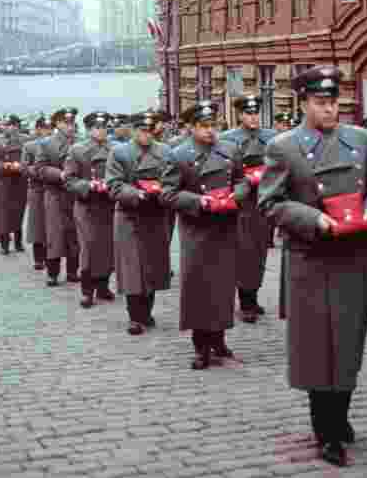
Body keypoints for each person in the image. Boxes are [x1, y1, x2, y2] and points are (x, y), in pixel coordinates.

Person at [259, 65, 367, 468]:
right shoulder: (285, 147)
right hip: (311, 259)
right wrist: (314, 219)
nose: (330, 110)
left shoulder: (361, 140)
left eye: (334, 102)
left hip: (352, 256)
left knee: (348, 342)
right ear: (304, 103)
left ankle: (340, 415)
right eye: (321, 103)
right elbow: (270, 203)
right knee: (317, 348)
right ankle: (326, 430)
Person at [161, 101, 246, 369]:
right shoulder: (179, 155)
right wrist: (200, 201)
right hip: (197, 228)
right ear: (191, 128)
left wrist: (237, 195)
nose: (211, 131)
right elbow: (168, 192)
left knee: (222, 285)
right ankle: (201, 346)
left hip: (225, 226)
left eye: (214, 125)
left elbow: (241, 180)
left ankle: (219, 340)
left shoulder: (230, 150)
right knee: (198, 287)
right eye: (204, 126)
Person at [105, 109, 175, 335]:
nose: (146, 135)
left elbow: (172, 178)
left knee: (153, 265)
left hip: (156, 214)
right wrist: (137, 193)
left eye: (149, 130)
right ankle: (134, 316)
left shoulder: (165, 151)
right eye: (142, 130)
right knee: (132, 266)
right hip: (130, 215)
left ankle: (147, 311)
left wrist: (163, 189)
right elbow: (114, 185)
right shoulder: (120, 153)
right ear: (134, 131)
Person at [220, 93, 276, 322]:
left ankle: (252, 295)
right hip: (239, 204)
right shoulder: (228, 139)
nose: (253, 118)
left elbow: (279, 164)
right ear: (240, 115)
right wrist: (244, 179)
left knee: (260, 251)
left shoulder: (271, 137)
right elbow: (223, 172)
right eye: (248, 113)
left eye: (256, 113)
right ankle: (246, 302)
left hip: (262, 202)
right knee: (244, 252)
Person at [64, 111, 116, 309]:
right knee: (89, 248)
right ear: (88, 130)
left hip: (110, 205)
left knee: (109, 247)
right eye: (97, 127)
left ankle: (103, 286)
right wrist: (88, 186)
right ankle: (87, 290)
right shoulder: (78, 150)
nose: (101, 131)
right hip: (87, 206)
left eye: (104, 127)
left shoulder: (116, 149)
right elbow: (68, 180)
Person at [35, 107, 81, 287]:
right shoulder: (47, 144)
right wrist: (59, 174)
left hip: (75, 194)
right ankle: (53, 273)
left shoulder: (80, 142)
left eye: (72, 123)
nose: (70, 127)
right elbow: (39, 168)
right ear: (58, 124)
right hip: (55, 193)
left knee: (75, 234)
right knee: (55, 234)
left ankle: (72, 271)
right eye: (66, 123)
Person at [0, 114, 28, 255]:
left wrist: (22, 165)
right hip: (2, 181)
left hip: (20, 181)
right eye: (6, 125)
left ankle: (18, 241)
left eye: (11, 125)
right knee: (3, 213)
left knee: (19, 211)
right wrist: (6, 165)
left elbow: (31, 158)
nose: (8, 127)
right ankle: (4, 243)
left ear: (17, 126)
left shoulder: (25, 140)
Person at [23, 115, 52, 271]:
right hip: (37, 188)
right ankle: (38, 258)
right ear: (38, 129)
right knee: (37, 225)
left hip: (53, 188)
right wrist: (40, 172)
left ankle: (50, 257)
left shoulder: (55, 145)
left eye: (49, 128)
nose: (47, 131)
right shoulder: (30, 146)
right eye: (44, 128)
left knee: (52, 225)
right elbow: (24, 167)